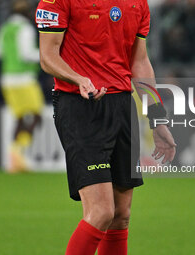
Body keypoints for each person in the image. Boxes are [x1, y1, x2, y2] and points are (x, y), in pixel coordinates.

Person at [36, 0, 176, 254]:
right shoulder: (58, 1)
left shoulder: (138, 3)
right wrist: (79, 78)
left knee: (121, 215)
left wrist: (157, 117)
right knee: (101, 211)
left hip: (122, 105)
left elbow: (140, 62)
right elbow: (47, 56)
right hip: (80, 106)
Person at [0, 0, 44, 173]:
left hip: (7, 78)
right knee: (36, 115)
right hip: (24, 78)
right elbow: (26, 54)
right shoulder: (25, 29)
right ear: (27, 13)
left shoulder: (5, 28)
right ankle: (18, 151)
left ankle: (14, 155)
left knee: (20, 117)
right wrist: (45, 55)